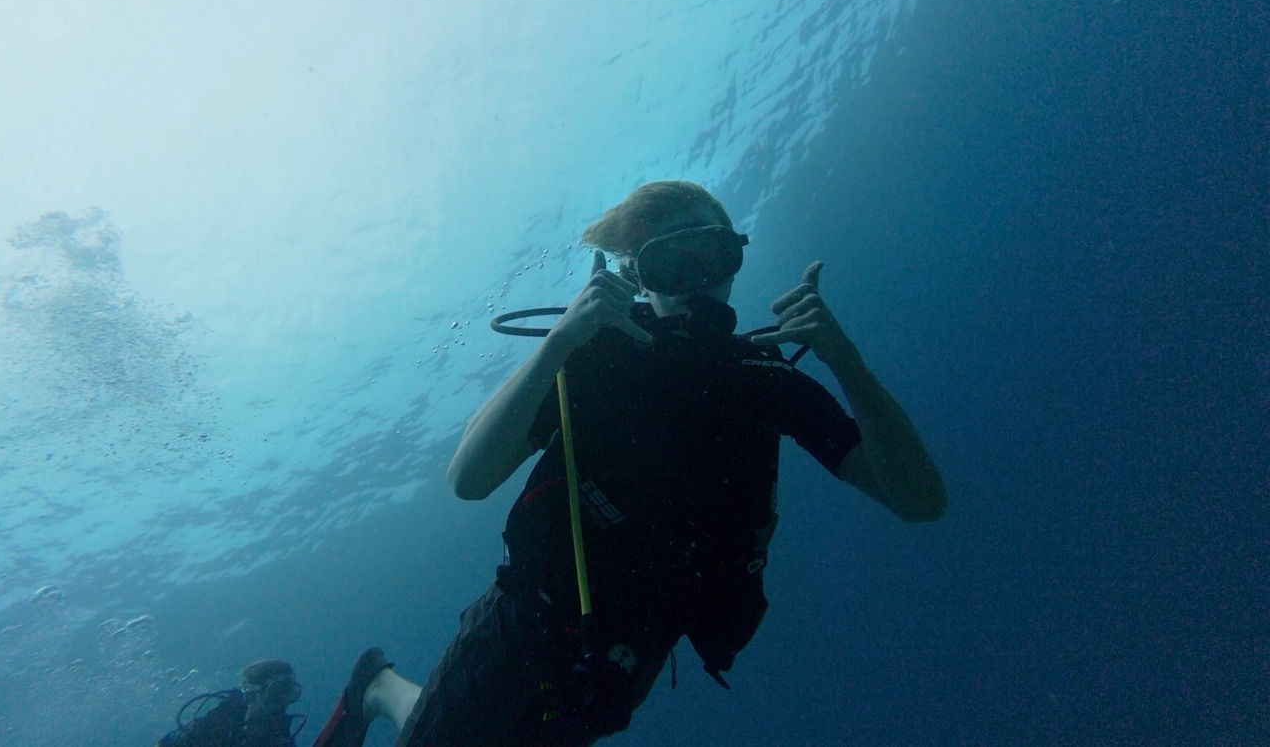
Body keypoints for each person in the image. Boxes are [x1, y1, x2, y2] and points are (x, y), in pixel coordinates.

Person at [314, 181, 948, 746]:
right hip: (517, 632)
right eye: (671, 261)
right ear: (637, 278)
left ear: (734, 259)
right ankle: (381, 688)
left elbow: (921, 503)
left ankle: (380, 687)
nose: (696, 277)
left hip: (628, 659)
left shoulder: (763, 379)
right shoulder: (595, 357)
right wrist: (561, 342)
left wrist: (845, 360)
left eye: (712, 254)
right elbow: (468, 480)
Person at [158, 659, 305, 747]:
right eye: (277, 691)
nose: (283, 702)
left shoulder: (280, 736)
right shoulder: (221, 720)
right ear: (252, 692)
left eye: (291, 692)